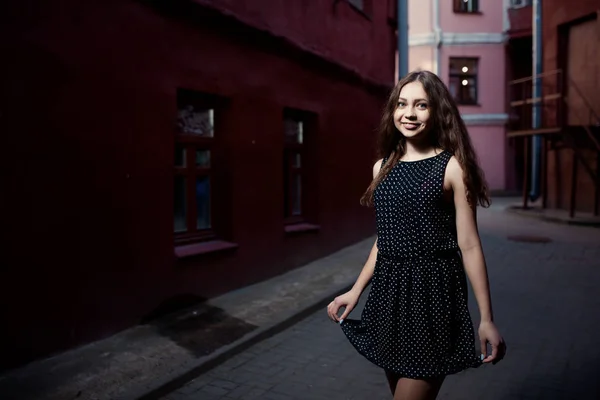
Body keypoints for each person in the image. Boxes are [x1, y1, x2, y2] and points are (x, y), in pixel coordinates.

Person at [326, 70, 505, 400]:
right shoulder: (383, 167)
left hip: (434, 293)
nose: (409, 113)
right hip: (389, 294)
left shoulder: (452, 167)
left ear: (437, 111)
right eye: (402, 104)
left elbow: (469, 245)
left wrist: (486, 319)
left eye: (421, 105)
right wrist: (356, 290)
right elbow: (385, 239)